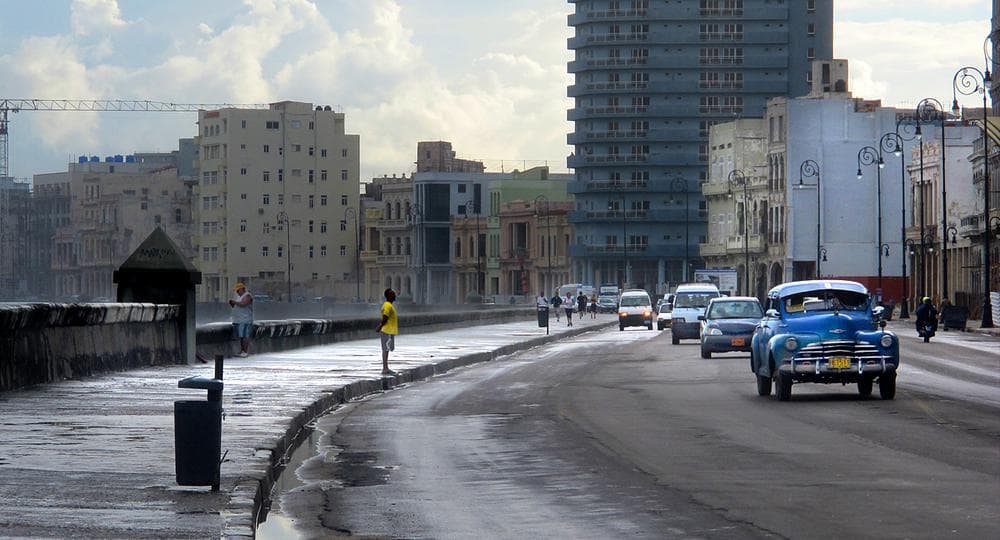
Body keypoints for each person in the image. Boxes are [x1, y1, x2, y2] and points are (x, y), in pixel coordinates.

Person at [376, 288, 399, 375]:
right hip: (387, 330)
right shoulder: (387, 305)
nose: (394, 295)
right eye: (393, 294)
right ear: (388, 296)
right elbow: (385, 317)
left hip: (389, 330)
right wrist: (380, 326)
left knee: (387, 349)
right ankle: (385, 368)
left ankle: (386, 368)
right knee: (385, 349)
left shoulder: (389, 305)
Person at [229, 282, 254, 357]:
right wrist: (233, 303)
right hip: (239, 319)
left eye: (238, 290)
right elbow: (238, 305)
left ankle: (245, 351)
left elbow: (244, 304)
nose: (237, 292)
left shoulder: (247, 295)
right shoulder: (239, 297)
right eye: (236, 291)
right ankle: (242, 350)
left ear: (242, 289)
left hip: (245, 319)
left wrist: (235, 302)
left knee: (245, 336)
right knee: (241, 336)